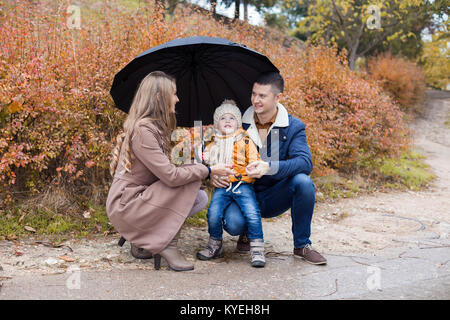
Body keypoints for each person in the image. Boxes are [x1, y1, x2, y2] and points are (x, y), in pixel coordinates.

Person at [106, 71, 234, 272]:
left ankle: (145, 236)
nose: (178, 98)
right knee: (191, 179)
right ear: (159, 97)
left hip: (138, 199)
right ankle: (166, 244)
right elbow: (171, 177)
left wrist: (196, 159)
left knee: (199, 197)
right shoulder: (143, 131)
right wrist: (207, 170)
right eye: (173, 93)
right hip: (127, 205)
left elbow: (163, 170)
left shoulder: (153, 128)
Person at [211, 72, 327, 265]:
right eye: (253, 94)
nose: (255, 100)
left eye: (262, 96)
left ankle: (302, 245)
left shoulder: (293, 126)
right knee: (233, 224)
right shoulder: (238, 122)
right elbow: (216, 153)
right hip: (241, 192)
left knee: (303, 182)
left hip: (274, 195)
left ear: (277, 97)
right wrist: (213, 175)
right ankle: (246, 231)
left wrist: (269, 167)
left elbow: (305, 162)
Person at [196, 100, 265, 268]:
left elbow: (255, 159)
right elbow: (207, 164)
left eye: (232, 118)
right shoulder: (213, 143)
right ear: (216, 124)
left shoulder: (246, 141)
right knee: (213, 213)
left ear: (238, 123)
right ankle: (215, 244)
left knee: (252, 213)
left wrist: (253, 166)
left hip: (243, 184)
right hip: (223, 185)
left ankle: (256, 248)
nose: (227, 121)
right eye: (223, 118)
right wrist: (201, 156)